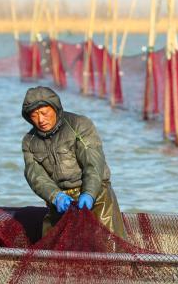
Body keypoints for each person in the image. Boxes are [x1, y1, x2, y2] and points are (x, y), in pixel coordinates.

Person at [20, 86, 126, 239]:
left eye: (44, 113)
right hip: (60, 202)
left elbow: (93, 163)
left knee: (108, 243)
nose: (41, 120)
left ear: (55, 108)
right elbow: (35, 176)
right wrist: (55, 196)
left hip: (97, 196)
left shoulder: (79, 125)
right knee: (53, 246)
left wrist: (89, 193)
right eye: (34, 115)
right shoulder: (29, 141)